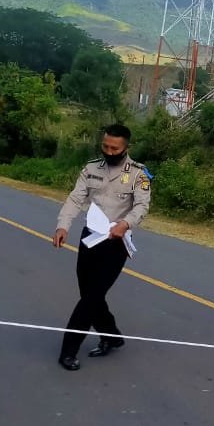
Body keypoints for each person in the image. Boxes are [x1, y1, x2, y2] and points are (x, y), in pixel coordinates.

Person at [52, 124, 152, 370]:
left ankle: (68, 350)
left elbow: (142, 206)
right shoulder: (91, 168)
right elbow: (76, 198)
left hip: (116, 243)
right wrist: (63, 226)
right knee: (89, 294)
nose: (109, 151)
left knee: (90, 298)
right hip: (91, 239)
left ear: (126, 147)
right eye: (105, 146)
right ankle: (112, 336)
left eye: (114, 148)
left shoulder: (139, 174)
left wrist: (126, 224)